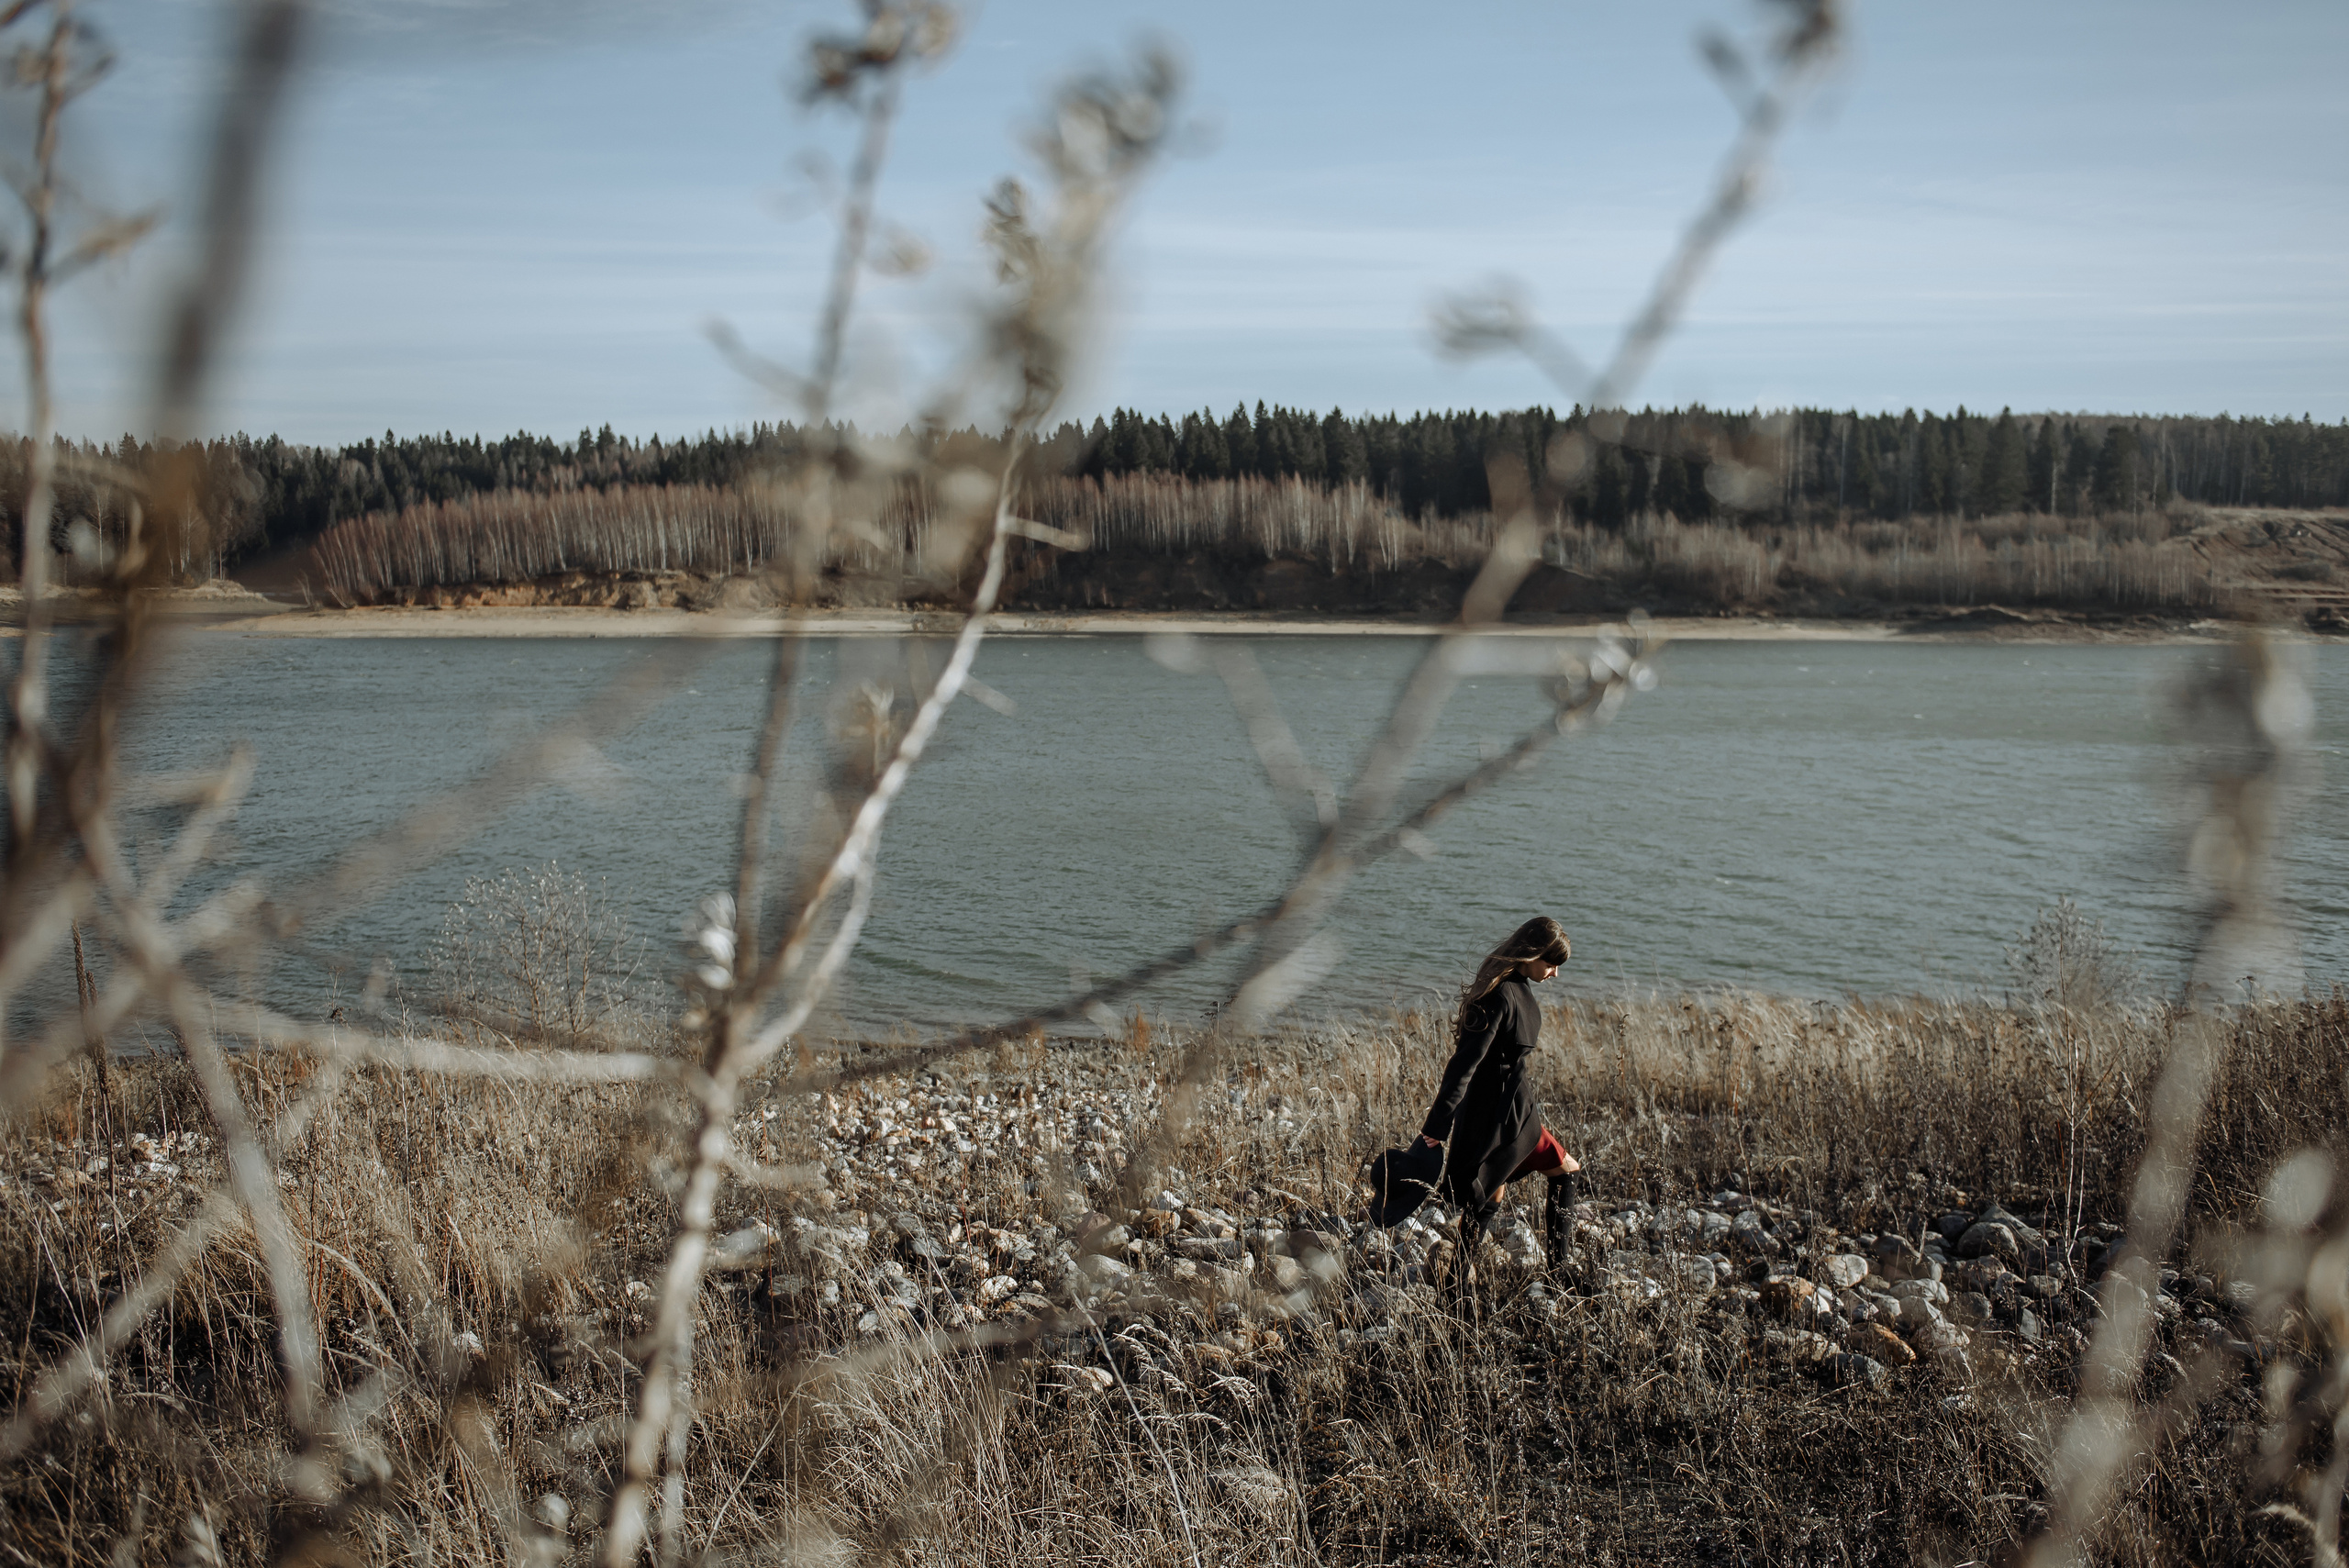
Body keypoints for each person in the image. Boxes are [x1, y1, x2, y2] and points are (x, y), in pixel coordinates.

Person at [1416, 916, 1583, 1286]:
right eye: (1551, 964)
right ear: (1532, 954)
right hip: (1499, 1116)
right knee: (1561, 1170)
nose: (1554, 973)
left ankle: (1458, 1279)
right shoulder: (1499, 995)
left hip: (1513, 1110)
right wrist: (1436, 1128)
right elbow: (1464, 1065)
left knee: (1492, 1188)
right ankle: (1559, 1273)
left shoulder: (1513, 986)